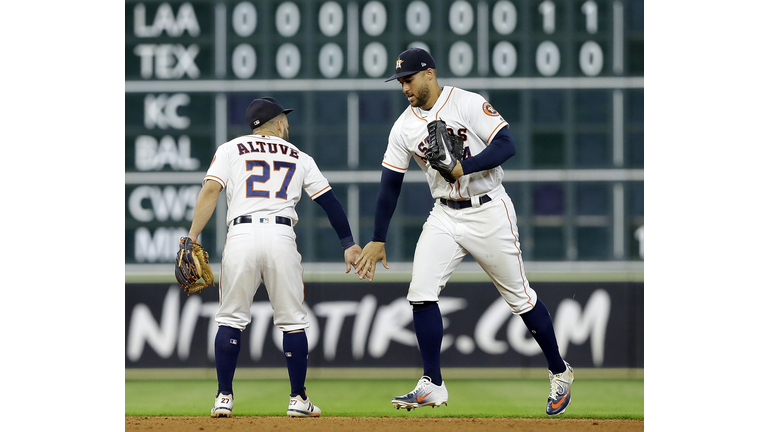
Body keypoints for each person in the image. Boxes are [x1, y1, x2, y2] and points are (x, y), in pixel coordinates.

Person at [353, 48, 575, 416]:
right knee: (421, 292)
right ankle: (432, 384)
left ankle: (559, 371)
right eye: (400, 82)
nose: (404, 87)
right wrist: (377, 238)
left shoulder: (468, 103)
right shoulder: (403, 126)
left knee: (520, 298)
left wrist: (464, 167)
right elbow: (389, 184)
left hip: (488, 209)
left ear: (429, 74)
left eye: (409, 79)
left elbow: (507, 144)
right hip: (444, 214)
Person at [184, 97, 362, 418]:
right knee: (292, 320)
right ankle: (298, 399)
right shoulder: (299, 156)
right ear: (278, 124)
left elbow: (211, 190)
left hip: (241, 235)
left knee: (231, 318)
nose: (288, 126)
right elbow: (330, 201)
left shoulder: (230, 148)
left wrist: (192, 236)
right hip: (281, 236)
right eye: (286, 121)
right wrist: (348, 243)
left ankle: (224, 397)